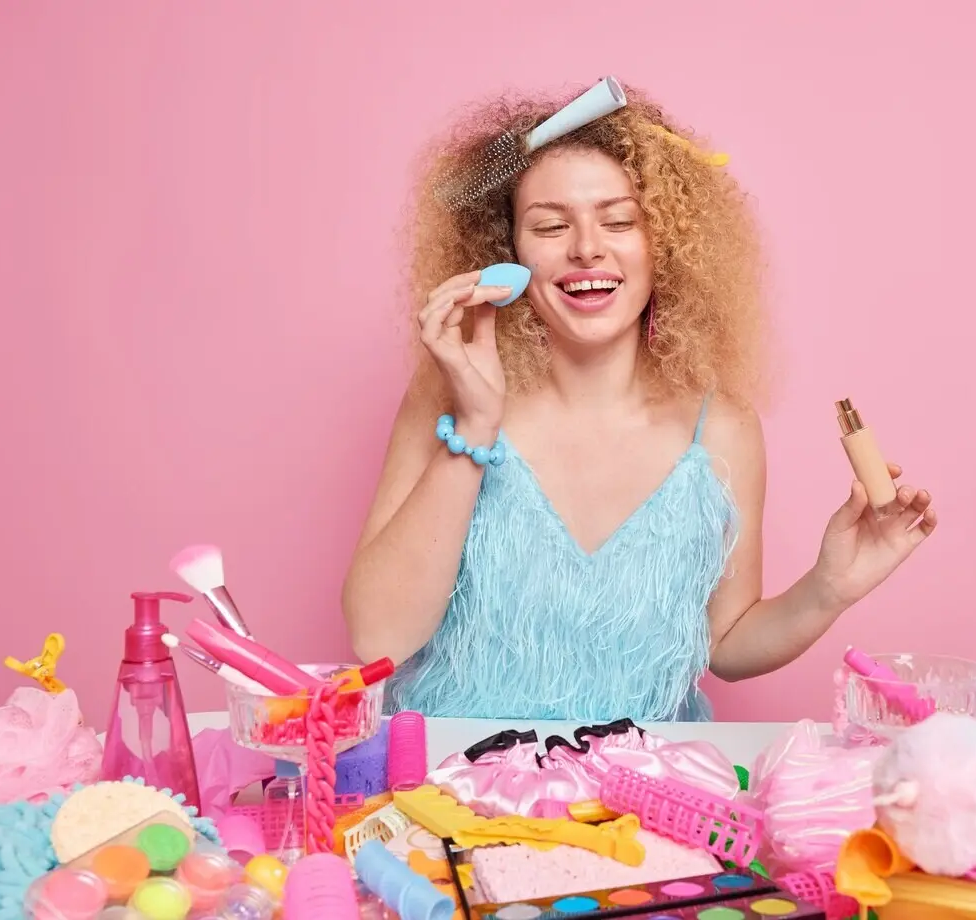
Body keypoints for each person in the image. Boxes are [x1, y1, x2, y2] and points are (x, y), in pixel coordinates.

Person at [342, 82, 938, 721]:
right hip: (457, 770)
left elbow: (725, 643)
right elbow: (378, 638)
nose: (586, 247)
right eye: (550, 225)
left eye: (620, 221)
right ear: (505, 252)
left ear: (666, 244)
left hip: (645, 775)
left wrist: (830, 587)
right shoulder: (448, 392)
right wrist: (476, 424)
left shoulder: (723, 425)